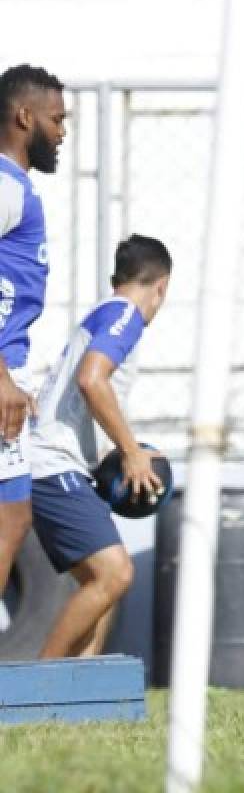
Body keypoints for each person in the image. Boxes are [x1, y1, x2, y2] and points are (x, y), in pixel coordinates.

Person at [29, 234, 171, 657]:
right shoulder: (124, 315)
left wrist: (114, 450)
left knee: (101, 584)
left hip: (62, 463)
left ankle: (83, 698)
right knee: (115, 573)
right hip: (53, 466)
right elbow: (92, 379)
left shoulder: (105, 314)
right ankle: (36, 689)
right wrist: (130, 451)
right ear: (161, 286)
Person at [0, 64, 66, 601]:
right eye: (56, 119)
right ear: (25, 117)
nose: (62, 132)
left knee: (11, 518)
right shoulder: (5, 186)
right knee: (9, 521)